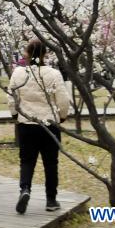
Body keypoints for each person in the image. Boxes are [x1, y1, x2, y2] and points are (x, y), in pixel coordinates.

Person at [8, 38, 70, 214]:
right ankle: (51, 199)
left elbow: (11, 97)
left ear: (27, 53)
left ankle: (25, 189)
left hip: (27, 123)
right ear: (45, 54)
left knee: (27, 161)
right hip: (49, 124)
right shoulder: (53, 74)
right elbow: (63, 99)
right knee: (51, 163)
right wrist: (62, 116)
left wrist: (15, 114)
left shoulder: (19, 73)